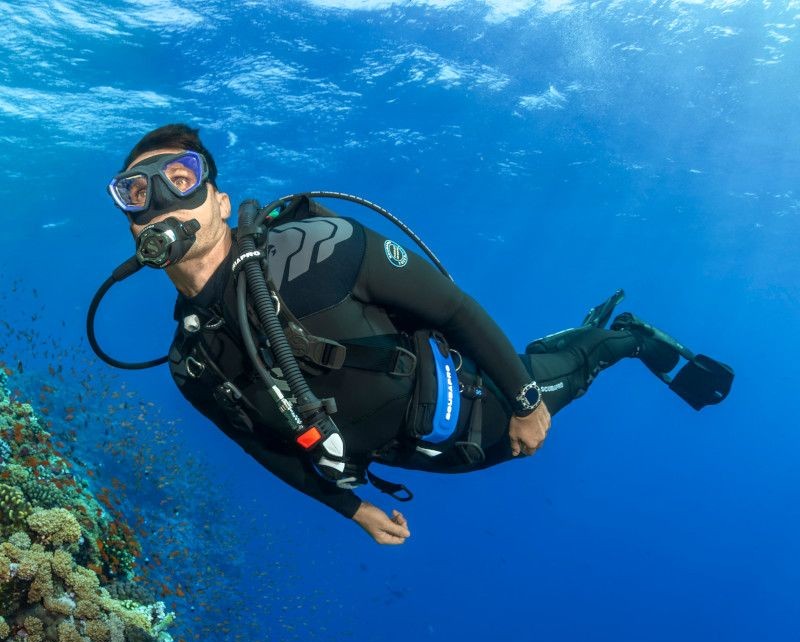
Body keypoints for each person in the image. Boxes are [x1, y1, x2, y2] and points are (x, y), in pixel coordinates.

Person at [105, 124, 733, 545]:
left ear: (220, 200)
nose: (160, 202)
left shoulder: (319, 247)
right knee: (541, 365)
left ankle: (622, 337)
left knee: (565, 369)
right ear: (132, 227)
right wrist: (353, 509)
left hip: (479, 409)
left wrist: (525, 401)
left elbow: (453, 308)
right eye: (136, 192)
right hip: (405, 457)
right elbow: (263, 448)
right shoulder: (191, 362)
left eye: (181, 178)